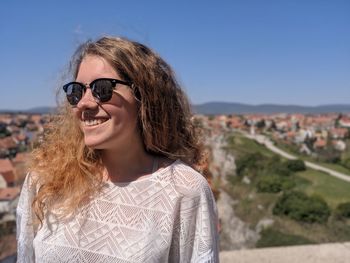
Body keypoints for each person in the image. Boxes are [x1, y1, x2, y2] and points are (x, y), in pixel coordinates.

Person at [16, 36, 219, 262]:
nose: (84, 103)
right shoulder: (46, 179)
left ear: (145, 96)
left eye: (101, 89)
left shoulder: (184, 191)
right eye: (76, 91)